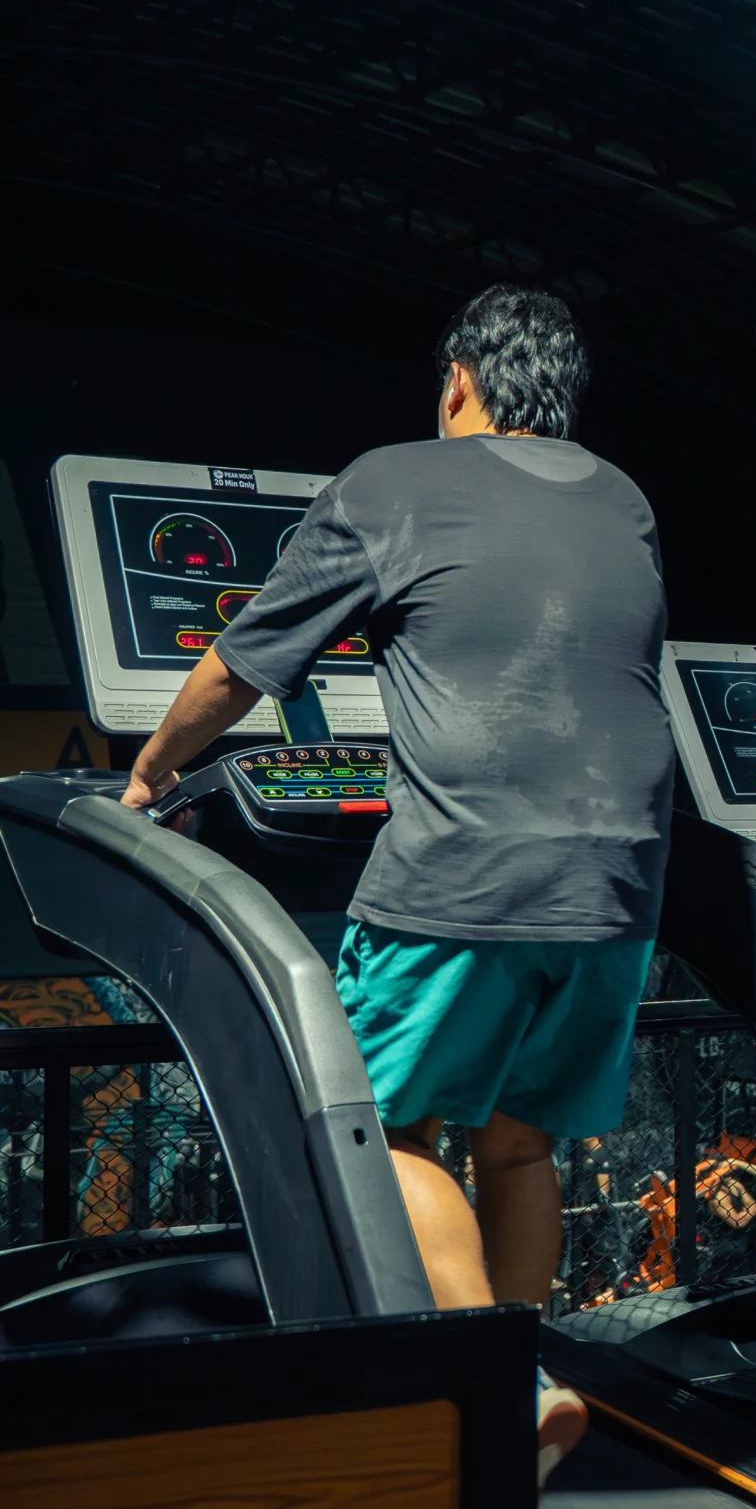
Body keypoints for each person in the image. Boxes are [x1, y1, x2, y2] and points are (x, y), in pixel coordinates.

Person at [121, 284, 674, 1487]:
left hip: (475, 862)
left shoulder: (394, 478)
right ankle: (515, 1413)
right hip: (624, 871)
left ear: (461, 379)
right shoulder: (622, 495)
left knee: (390, 1124)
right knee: (518, 1147)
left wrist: (151, 772)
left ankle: (500, 1394)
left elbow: (244, 661)